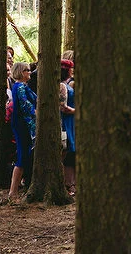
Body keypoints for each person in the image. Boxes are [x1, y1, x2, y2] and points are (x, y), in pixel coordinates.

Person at [7, 61, 36, 202]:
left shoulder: (23, 86)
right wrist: (36, 112)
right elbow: (25, 104)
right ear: (20, 72)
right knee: (22, 156)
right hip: (22, 124)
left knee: (26, 155)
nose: (29, 72)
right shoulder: (19, 87)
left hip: (24, 124)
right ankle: (13, 191)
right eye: (27, 70)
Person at [60, 58, 76, 194]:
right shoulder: (62, 86)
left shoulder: (67, 84)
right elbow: (63, 107)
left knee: (73, 150)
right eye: (71, 68)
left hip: (72, 120)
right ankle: (67, 183)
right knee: (68, 150)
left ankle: (72, 182)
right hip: (66, 120)